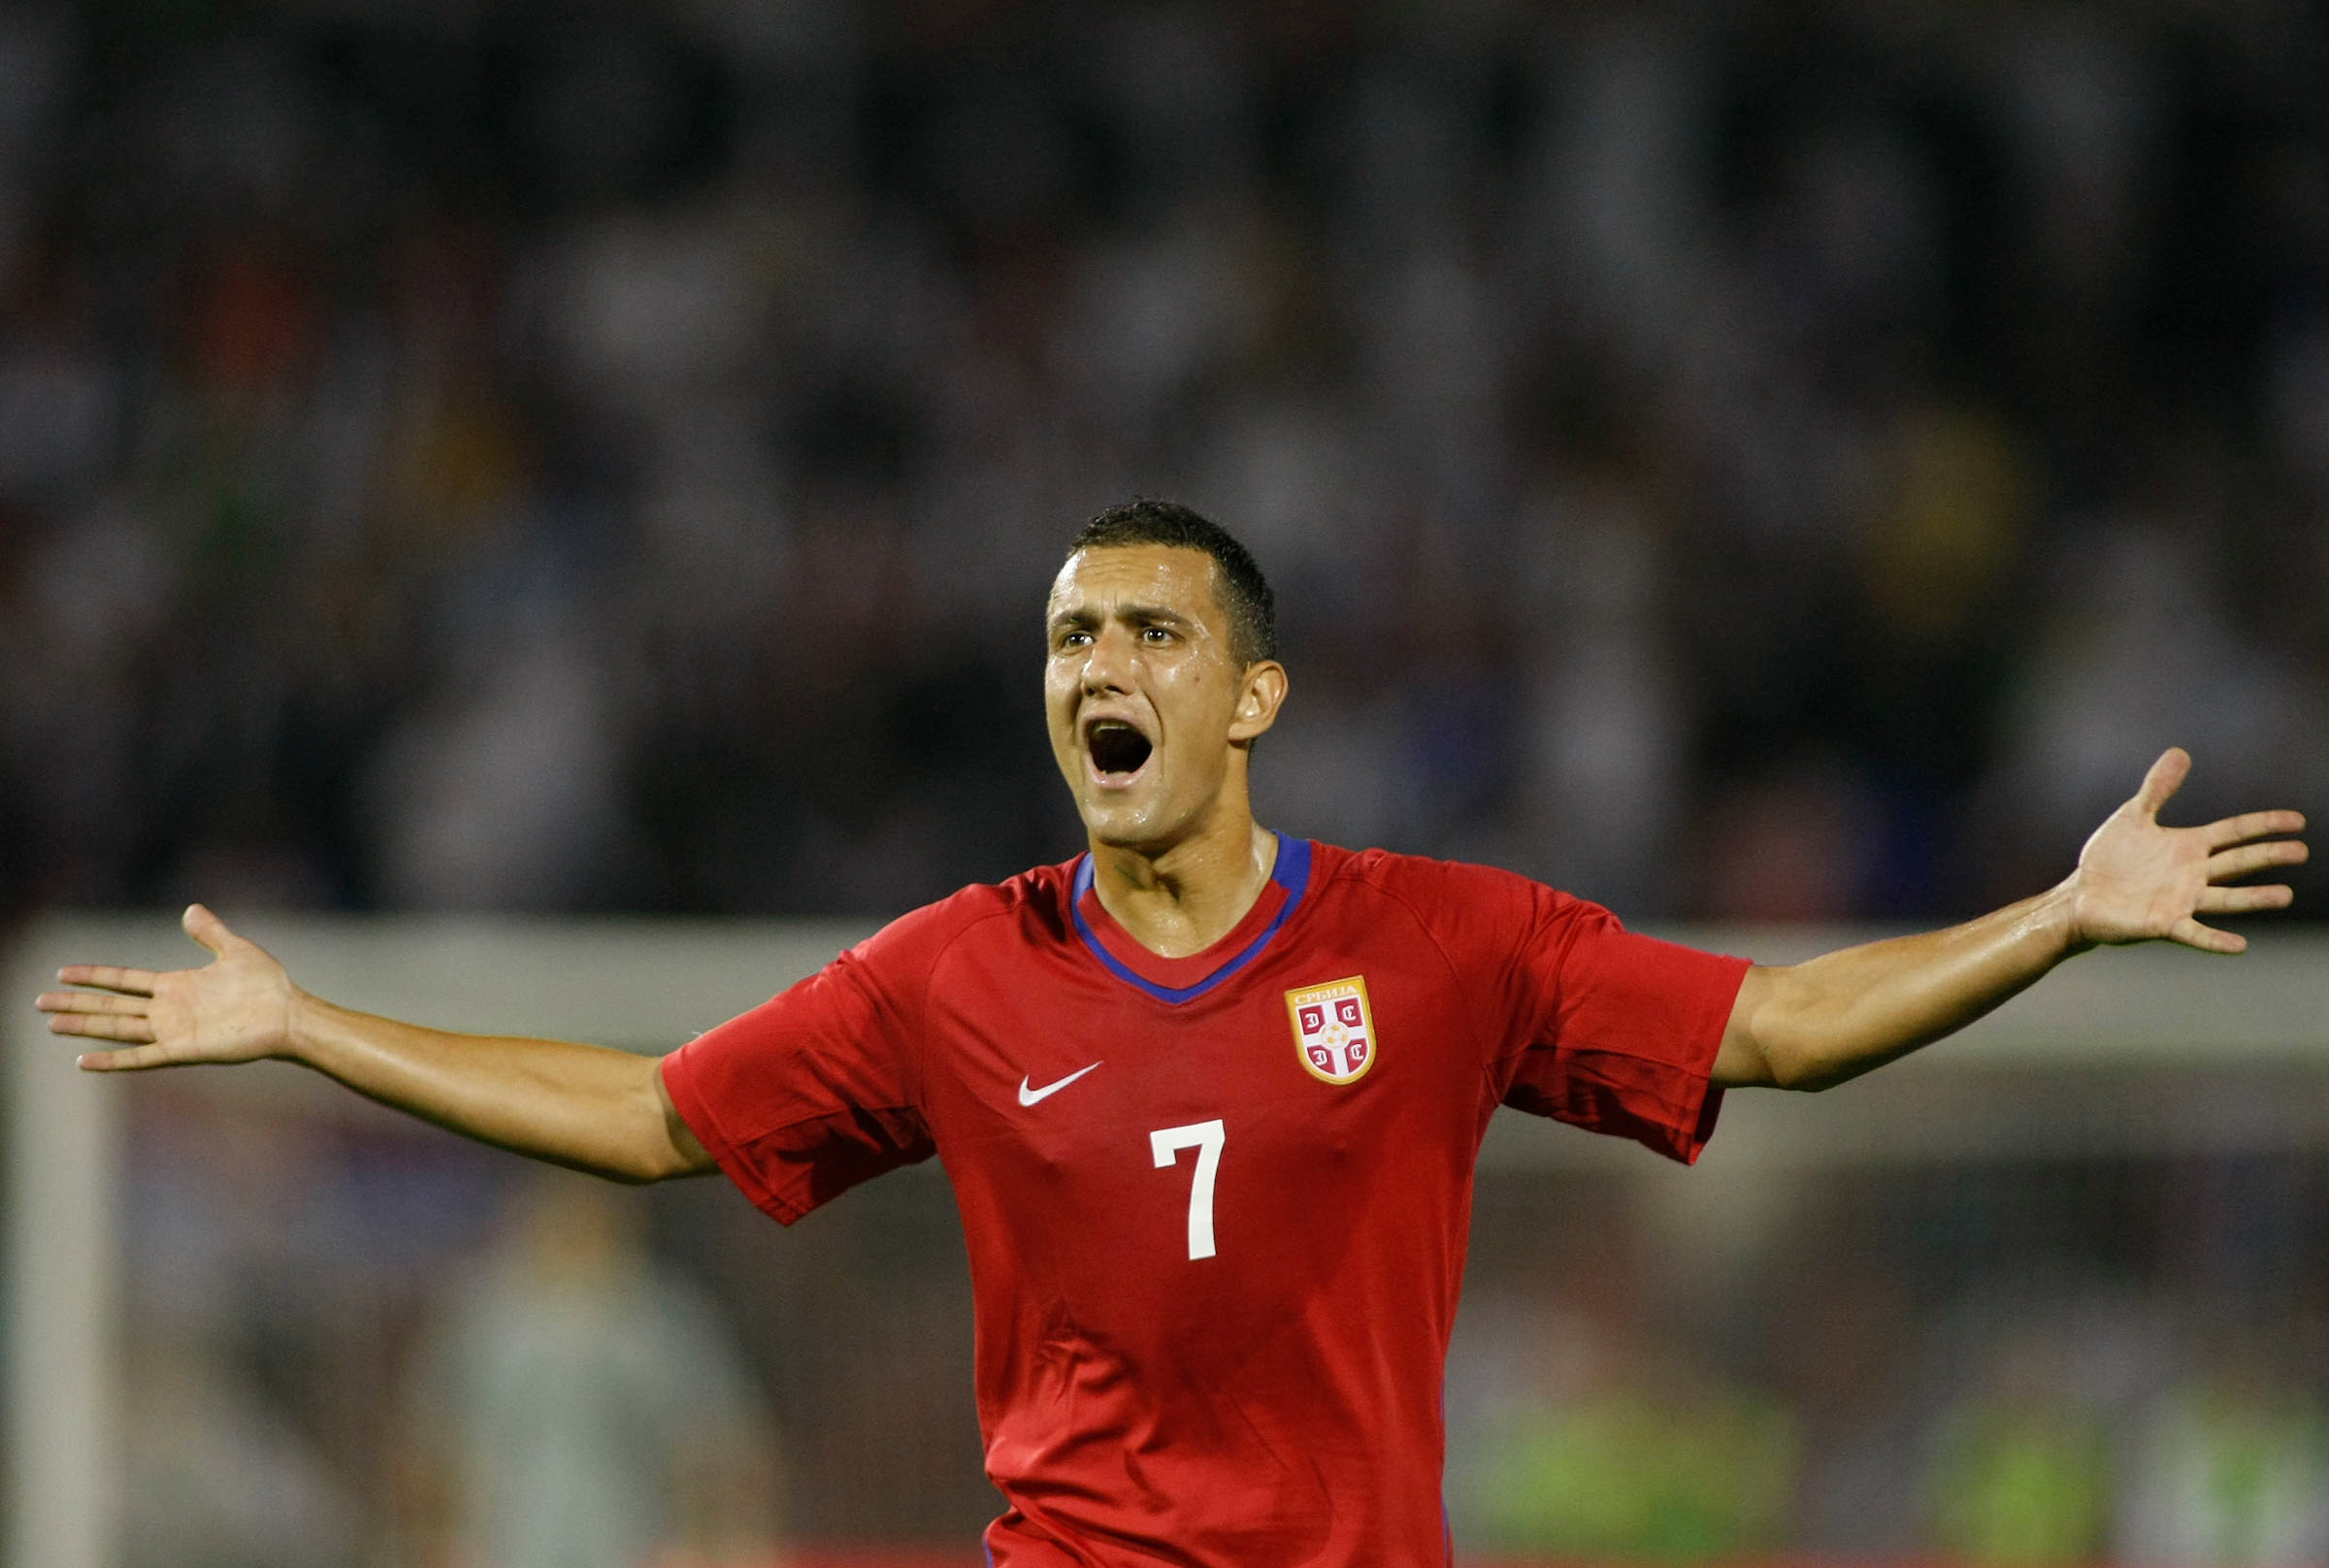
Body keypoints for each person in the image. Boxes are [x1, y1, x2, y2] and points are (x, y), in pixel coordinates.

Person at [39, 500, 2308, 1566]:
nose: (1093, 664)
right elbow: (649, 1114)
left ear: (1253, 694)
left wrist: (2060, 917)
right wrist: (300, 1022)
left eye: (1145, 627)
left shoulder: (1443, 943)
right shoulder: (956, 968)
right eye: (1062, 634)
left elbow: (1784, 1029)